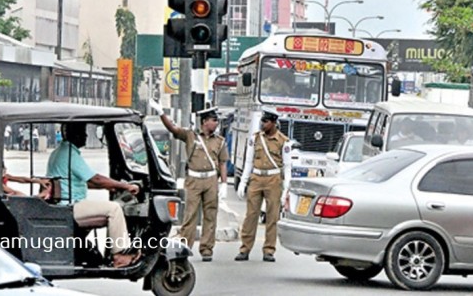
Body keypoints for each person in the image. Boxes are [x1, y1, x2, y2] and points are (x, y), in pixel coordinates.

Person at [47, 122, 141, 268]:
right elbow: (95, 179)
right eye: (82, 131)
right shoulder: (69, 153)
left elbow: (83, 181)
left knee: (110, 209)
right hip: (69, 207)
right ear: (72, 133)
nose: (85, 135)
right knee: (114, 209)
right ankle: (119, 255)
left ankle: (109, 253)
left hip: (64, 204)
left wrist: (109, 187)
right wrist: (125, 186)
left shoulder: (60, 152)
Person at [151, 100, 228, 262]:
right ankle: (184, 247)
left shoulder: (219, 141)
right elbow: (172, 128)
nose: (215, 123)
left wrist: (224, 183)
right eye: (213, 120)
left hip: (211, 180)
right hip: (193, 180)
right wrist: (161, 112)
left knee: (210, 215)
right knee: (190, 215)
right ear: (205, 121)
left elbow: (222, 163)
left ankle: (207, 249)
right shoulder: (190, 136)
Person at [235, 107, 291, 262]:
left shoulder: (283, 142)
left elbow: (287, 166)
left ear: (273, 123)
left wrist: (286, 188)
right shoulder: (255, 138)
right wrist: (243, 182)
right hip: (256, 177)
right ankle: (245, 249)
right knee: (251, 215)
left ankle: (269, 250)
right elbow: (248, 161)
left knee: (272, 216)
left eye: (266, 122)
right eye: (262, 121)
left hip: (273, 179)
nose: (262, 124)